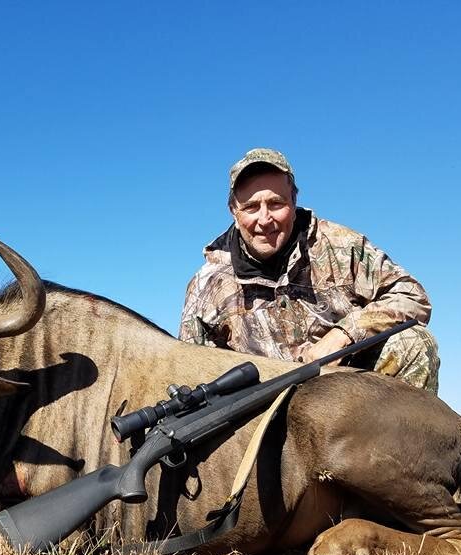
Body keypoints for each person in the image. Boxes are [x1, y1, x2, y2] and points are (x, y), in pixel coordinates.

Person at [179, 147, 440, 393]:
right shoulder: (206, 285)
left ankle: (398, 440)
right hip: (262, 410)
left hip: (345, 392)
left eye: (276, 203)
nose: (264, 219)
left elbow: (412, 295)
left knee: (413, 344)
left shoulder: (342, 246)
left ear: (293, 201)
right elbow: (190, 370)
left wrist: (344, 334)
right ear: (233, 211)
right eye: (251, 207)